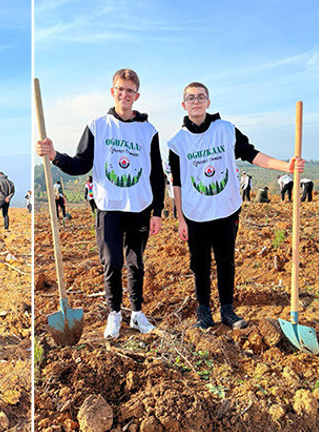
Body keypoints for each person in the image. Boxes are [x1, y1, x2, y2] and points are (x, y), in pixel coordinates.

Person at [35, 68, 164, 339]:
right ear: (112, 91)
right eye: (121, 89)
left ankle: (138, 314)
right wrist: (55, 155)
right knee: (112, 262)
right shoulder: (98, 126)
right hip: (109, 206)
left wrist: (158, 211)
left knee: (136, 262)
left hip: (140, 207)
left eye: (130, 91)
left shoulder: (148, 131)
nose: (125, 95)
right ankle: (115, 314)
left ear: (136, 95)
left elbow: (155, 174)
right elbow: (81, 164)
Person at [169, 81, 303, 330]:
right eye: (191, 98)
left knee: (225, 261)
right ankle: (203, 311)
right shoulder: (178, 142)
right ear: (183, 104)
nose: (196, 101)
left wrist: (287, 166)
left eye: (201, 97)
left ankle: (227, 310)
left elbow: (252, 154)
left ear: (208, 102)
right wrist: (181, 219)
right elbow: (176, 182)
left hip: (226, 209)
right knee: (199, 264)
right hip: (195, 213)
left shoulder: (226, 130)